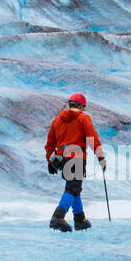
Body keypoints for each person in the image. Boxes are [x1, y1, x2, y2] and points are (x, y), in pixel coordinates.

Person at [45, 92, 106, 231]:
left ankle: (80, 219)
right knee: (72, 188)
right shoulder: (83, 118)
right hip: (77, 157)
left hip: (61, 159)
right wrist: (101, 157)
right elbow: (92, 139)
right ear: (81, 106)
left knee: (74, 188)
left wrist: (49, 160)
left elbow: (50, 142)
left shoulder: (57, 120)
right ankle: (58, 217)